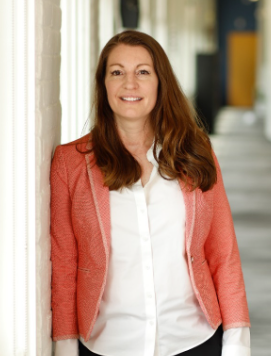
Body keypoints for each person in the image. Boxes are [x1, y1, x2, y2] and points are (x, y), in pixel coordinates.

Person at [50, 30, 251, 356]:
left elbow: (222, 252)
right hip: (106, 344)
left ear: (160, 82)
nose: (130, 83)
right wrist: (64, 345)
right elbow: (63, 263)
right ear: (104, 84)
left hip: (193, 339)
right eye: (117, 72)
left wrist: (238, 341)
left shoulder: (195, 153)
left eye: (143, 72)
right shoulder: (70, 163)